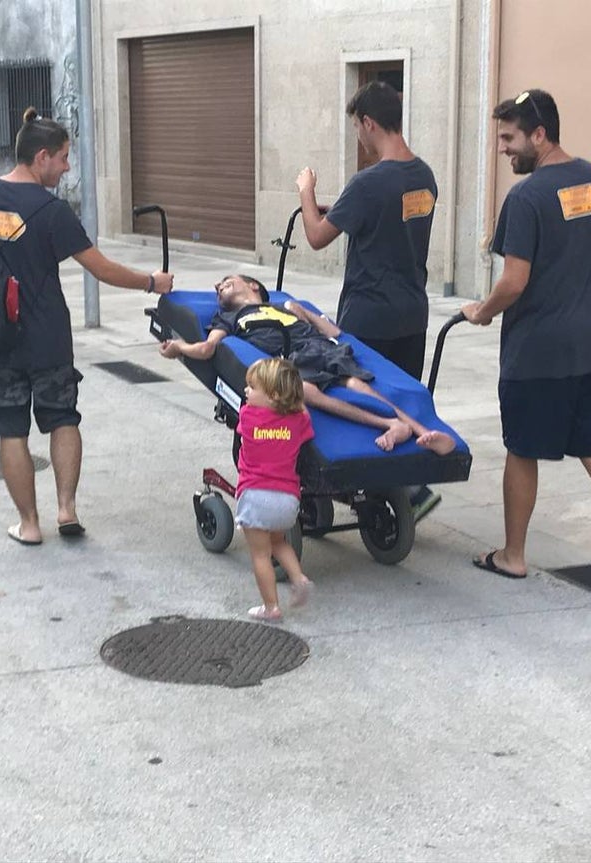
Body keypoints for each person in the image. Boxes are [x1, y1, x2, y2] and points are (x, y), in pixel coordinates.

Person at [461, 89, 591, 607]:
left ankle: (513, 555)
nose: (504, 149)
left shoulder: (525, 199)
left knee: (523, 449)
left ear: (540, 134)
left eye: (509, 138)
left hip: (539, 352)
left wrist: (481, 311)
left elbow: (514, 280)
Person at [0, 107, 174, 546]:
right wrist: (152, 282)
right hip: (48, 336)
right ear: (41, 158)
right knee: (62, 418)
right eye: (64, 158)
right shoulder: (52, 211)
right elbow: (100, 268)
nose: (68, 167)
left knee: (10, 428)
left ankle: (29, 525)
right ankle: (66, 508)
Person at [295, 80, 442, 518]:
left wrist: (305, 191)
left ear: (369, 123)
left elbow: (318, 237)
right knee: (402, 401)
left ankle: (399, 494)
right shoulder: (424, 176)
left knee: (363, 406)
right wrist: (336, 208)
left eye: (358, 127)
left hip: (369, 315)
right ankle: (406, 486)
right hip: (412, 313)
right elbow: (383, 219)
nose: (358, 135)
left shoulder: (368, 182)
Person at [157, 274, 456, 455]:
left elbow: (336, 333)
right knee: (306, 390)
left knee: (357, 385)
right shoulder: (229, 318)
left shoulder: (280, 306)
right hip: (291, 358)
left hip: (318, 346)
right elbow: (208, 348)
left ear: (251, 286)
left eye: (226, 281)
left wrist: (304, 312)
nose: (218, 286)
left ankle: (421, 431)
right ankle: (391, 424)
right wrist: (178, 347)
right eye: (218, 286)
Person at [233, 358, 315, 622]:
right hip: (287, 500)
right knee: (279, 542)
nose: (247, 392)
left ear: (274, 395)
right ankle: (299, 578)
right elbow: (305, 416)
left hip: (255, 495)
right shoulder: (297, 420)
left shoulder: (247, 415)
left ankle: (271, 607)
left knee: (260, 554)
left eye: (252, 387)